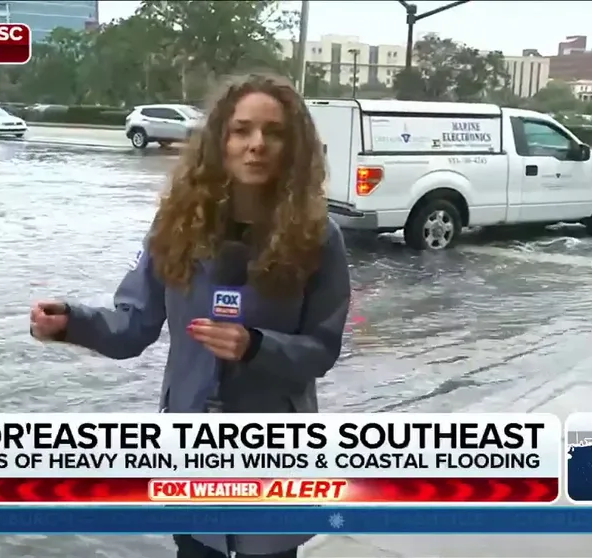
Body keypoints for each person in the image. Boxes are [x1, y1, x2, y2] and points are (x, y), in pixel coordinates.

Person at [29, 73, 351, 558]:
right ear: (220, 139)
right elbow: (131, 327)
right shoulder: (176, 224)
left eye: (274, 132)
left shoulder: (320, 238)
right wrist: (70, 322)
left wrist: (256, 347)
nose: (257, 144)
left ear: (294, 146)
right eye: (242, 130)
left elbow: (321, 351)